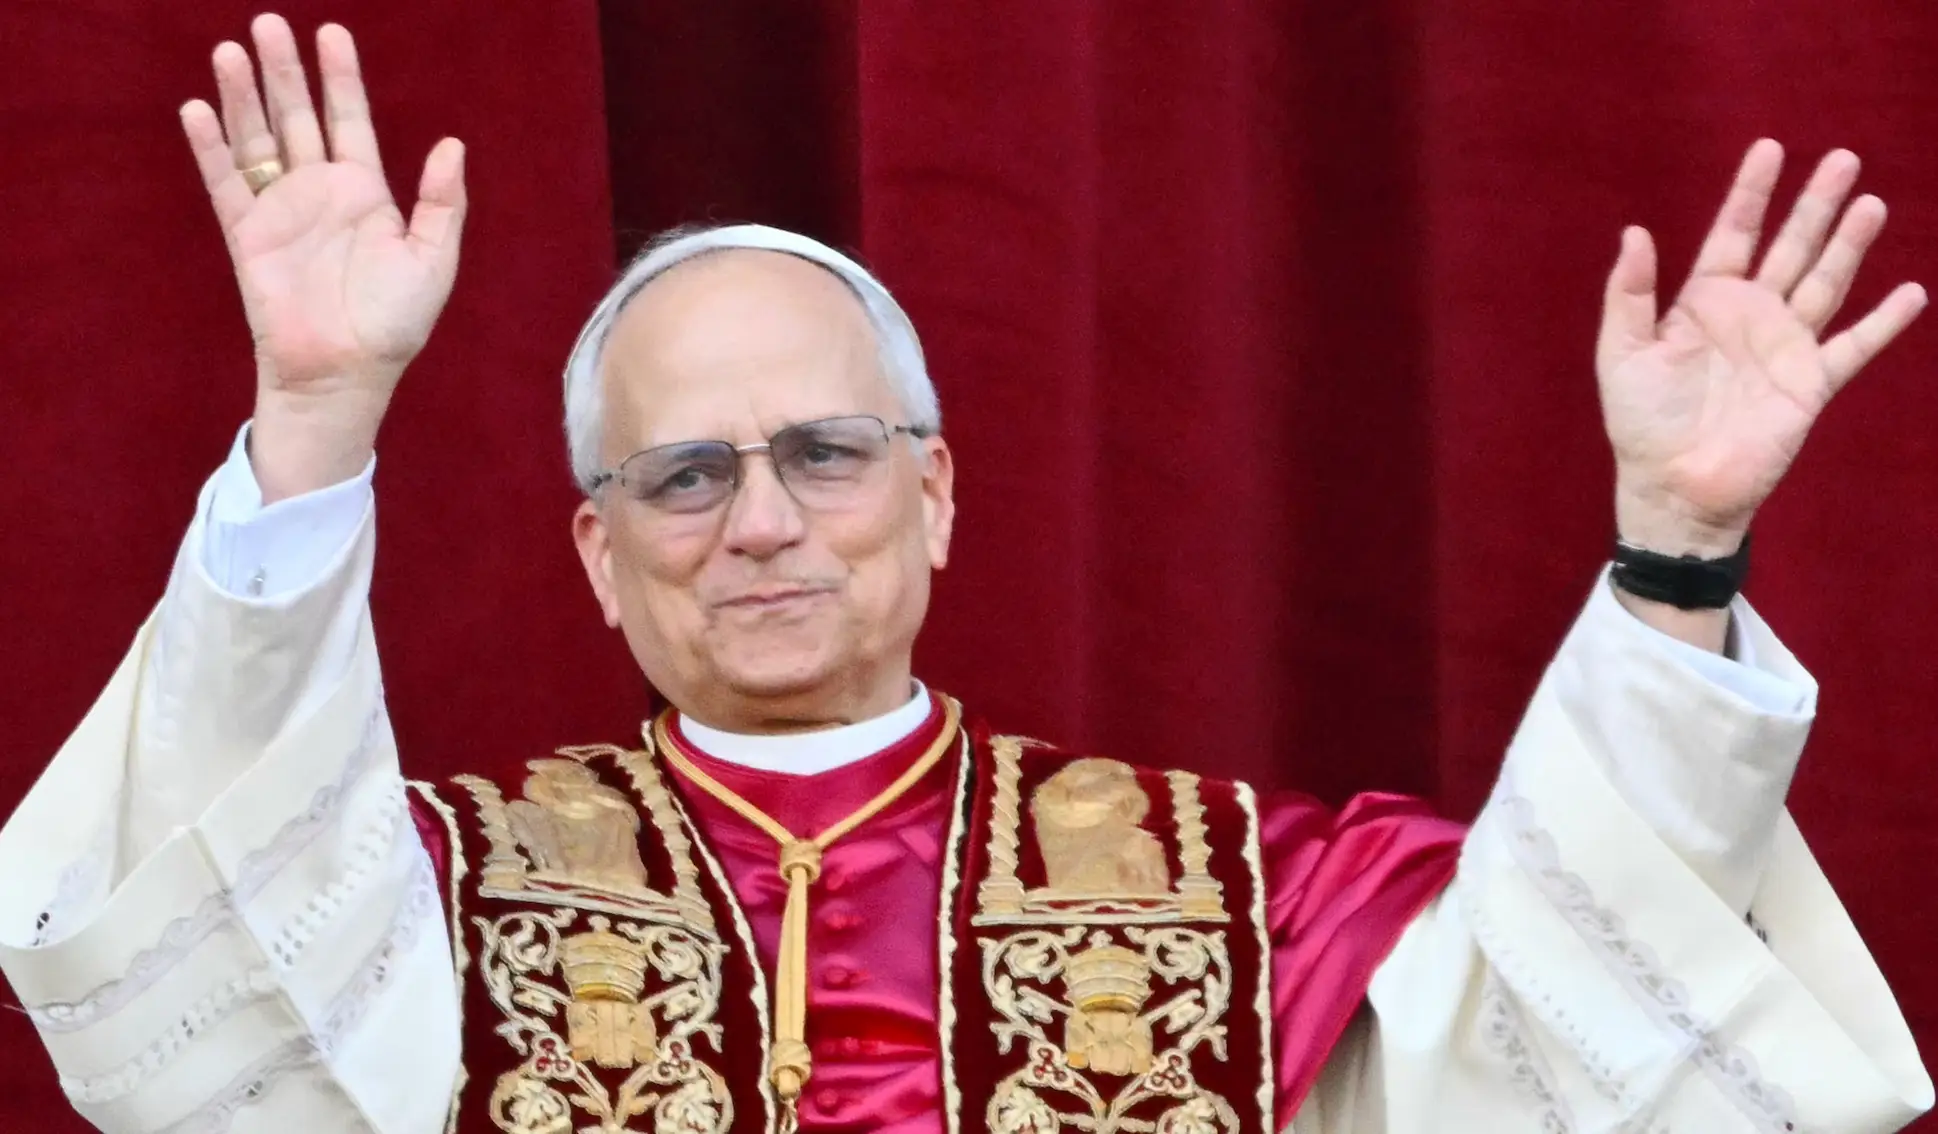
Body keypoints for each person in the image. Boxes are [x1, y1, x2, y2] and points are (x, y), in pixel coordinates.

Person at [0, 13, 1929, 1134]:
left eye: (824, 453)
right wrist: (316, 416)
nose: (761, 522)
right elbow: (223, 1014)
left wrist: (1676, 545)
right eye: (683, 474)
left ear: (935, 495)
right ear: (596, 552)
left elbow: (1564, 1044)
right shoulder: (425, 899)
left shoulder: (1252, 895)